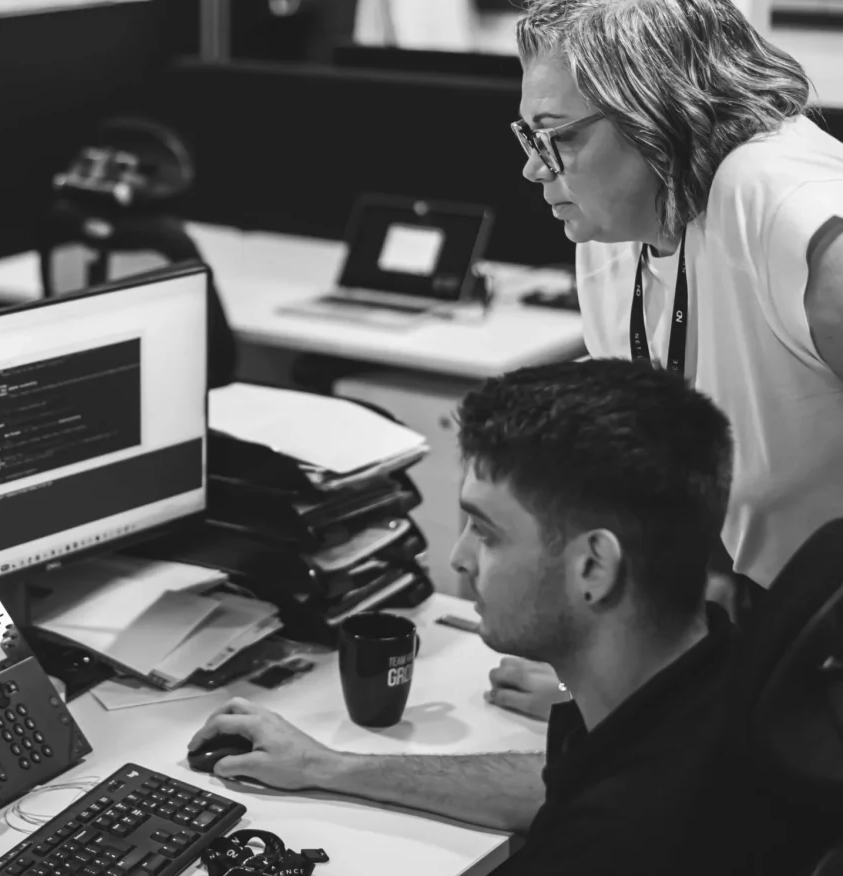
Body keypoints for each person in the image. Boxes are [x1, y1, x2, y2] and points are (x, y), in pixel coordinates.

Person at [188, 359, 757, 875]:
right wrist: (327, 766)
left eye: (486, 532)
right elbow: (555, 787)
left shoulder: (615, 842)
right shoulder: (715, 679)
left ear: (593, 566)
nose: (459, 558)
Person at [488, 0, 843, 720]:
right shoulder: (612, 236)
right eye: (528, 134)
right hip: (752, 664)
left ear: (659, 114)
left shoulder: (777, 202)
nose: (532, 168)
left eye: (556, 137)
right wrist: (618, 682)